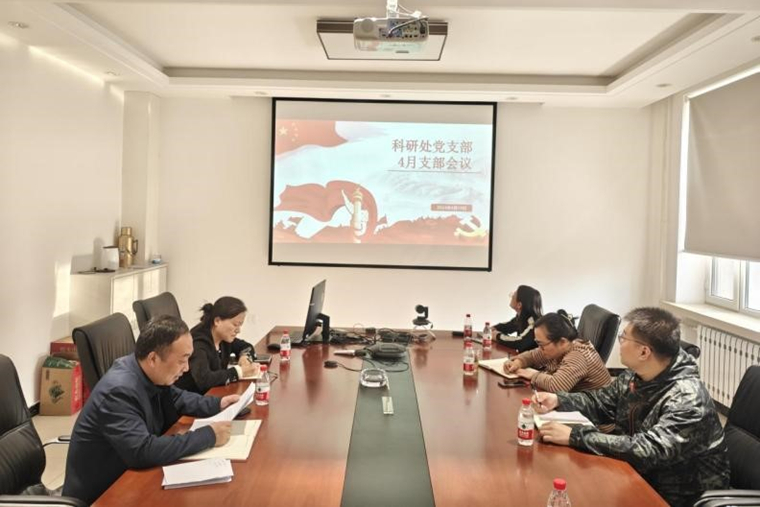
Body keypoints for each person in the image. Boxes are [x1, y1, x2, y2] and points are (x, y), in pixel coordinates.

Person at [534, 307, 729, 507]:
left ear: (644, 352)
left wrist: (575, 436)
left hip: (678, 497)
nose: (620, 343)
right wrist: (559, 400)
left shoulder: (688, 399)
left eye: (624, 338)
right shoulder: (635, 375)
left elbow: (649, 450)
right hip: (637, 477)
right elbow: (601, 403)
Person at [63, 315, 238, 505]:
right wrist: (208, 436)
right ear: (153, 358)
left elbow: (177, 398)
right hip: (102, 496)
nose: (187, 368)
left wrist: (217, 404)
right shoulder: (118, 391)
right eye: (182, 360)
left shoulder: (147, 371)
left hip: (130, 479)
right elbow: (142, 452)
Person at [504, 310, 611, 393]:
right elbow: (532, 356)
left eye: (542, 344)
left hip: (594, 412)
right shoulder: (559, 348)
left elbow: (557, 386)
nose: (540, 349)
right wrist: (518, 362)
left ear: (562, 342)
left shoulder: (578, 355)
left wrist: (532, 375)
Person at [175, 296, 259, 394]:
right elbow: (204, 380)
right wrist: (239, 372)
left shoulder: (223, 337)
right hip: (192, 398)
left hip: (212, 394)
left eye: (240, 325)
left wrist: (244, 357)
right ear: (217, 321)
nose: (238, 330)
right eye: (235, 325)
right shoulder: (198, 343)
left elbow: (246, 346)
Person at [492, 285, 543, 352]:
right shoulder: (522, 317)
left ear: (519, 305)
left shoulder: (535, 323)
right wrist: (493, 328)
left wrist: (498, 336)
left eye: (513, 295)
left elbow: (520, 342)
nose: (511, 296)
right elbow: (507, 326)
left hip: (532, 358)